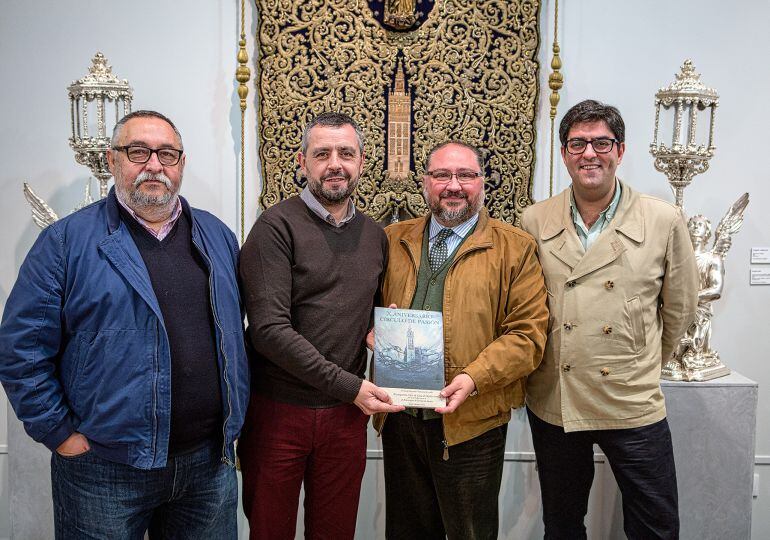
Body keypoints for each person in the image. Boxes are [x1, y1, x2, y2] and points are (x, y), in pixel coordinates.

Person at [0, 110, 249, 538]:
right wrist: (60, 433)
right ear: (114, 160)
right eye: (138, 152)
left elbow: (236, 334)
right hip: (104, 471)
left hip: (207, 469)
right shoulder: (65, 243)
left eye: (167, 154)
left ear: (182, 164)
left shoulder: (217, 236)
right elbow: (21, 348)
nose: (154, 165)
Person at [521, 99, 699, 539]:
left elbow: (679, 308)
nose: (589, 154)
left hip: (631, 398)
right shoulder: (534, 219)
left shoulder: (663, 219)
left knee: (655, 525)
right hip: (557, 398)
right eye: (577, 143)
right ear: (563, 153)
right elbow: (525, 305)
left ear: (620, 151)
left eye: (602, 142)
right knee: (562, 525)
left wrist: (638, 360)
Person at [238, 112, 403, 540]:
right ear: (303, 161)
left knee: (335, 533)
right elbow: (270, 331)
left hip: (345, 419)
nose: (335, 163)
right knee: (270, 532)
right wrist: (349, 386)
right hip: (279, 413)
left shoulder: (374, 235)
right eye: (322, 153)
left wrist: (377, 330)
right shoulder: (274, 227)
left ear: (361, 162)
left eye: (346, 153)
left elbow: (368, 311)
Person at [374, 140, 549, 539]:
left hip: (472, 421)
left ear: (482, 183)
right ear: (425, 183)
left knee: (470, 533)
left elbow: (528, 336)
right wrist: (371, 334)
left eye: (465, 175)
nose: (453, 185)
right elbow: (365, 308)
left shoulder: (515, 249)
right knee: (406, 532)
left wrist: (472, 379)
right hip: (401, 417)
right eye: (442, 175)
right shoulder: (391, 240)